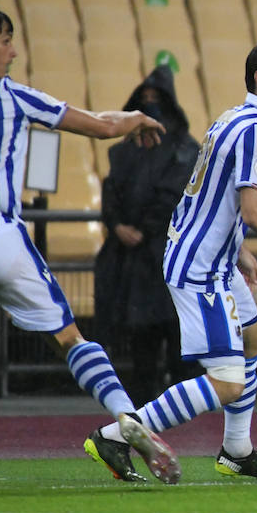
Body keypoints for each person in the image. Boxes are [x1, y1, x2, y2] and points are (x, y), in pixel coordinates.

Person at [0, 6, 176, 484]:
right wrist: (136, 119)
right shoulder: (12, 95)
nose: (13, 51)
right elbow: (101, 125)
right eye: (6, 40)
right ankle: (126, 416)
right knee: (69, 339)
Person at [83, 41, 257, 484]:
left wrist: (238, 248)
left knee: (253, 339)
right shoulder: (256, 128)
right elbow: (255, 211)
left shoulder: (232, 118)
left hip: (212, 257)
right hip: (200, 268)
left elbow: (207, 195)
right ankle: (114, 435)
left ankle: (237, 450)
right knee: (228, 383)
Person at [93, 65, 199, 407]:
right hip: (134, 264)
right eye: (146, 99)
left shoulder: (185, 148)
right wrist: (117, 225)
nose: (151, 104)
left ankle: (181, 411)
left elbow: (175, 195)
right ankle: (141, 411)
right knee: (141, 344)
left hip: (169, 258)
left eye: (157, 98)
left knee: (181, 343)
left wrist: (145, 227)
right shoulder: (124, 151)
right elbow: (112, 192)